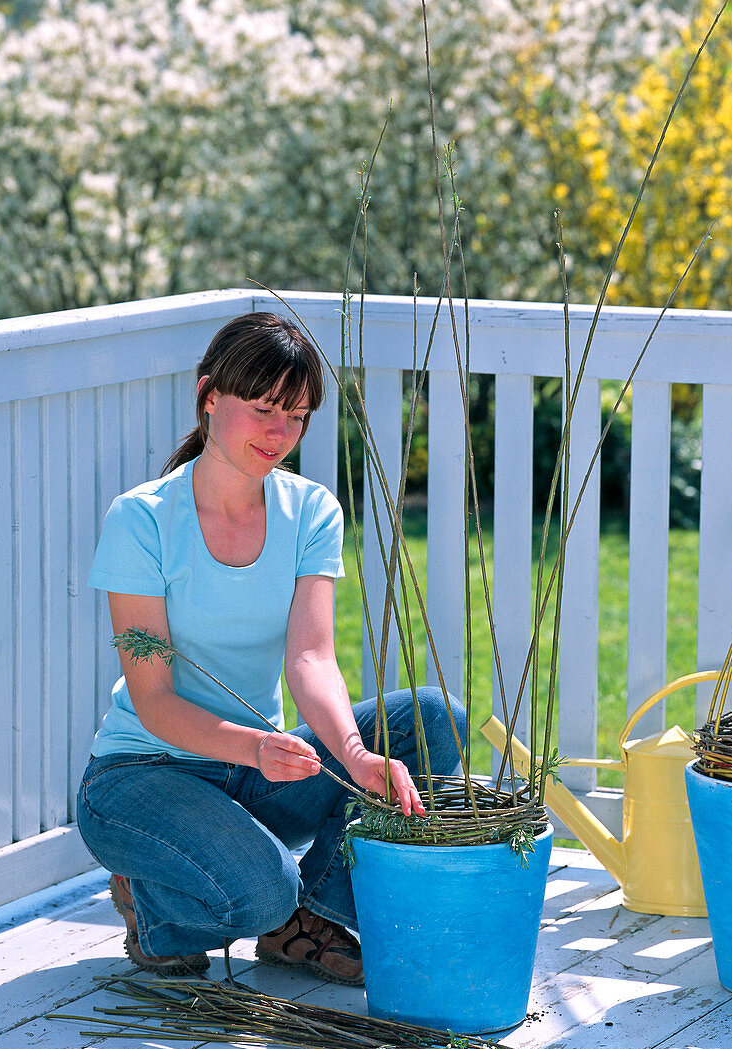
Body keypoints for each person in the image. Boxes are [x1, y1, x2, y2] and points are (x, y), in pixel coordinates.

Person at [77, 312, 462, 985]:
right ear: (208, 397)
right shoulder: (141, 519)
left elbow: (311, 658)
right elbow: (156, 700)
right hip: (143, 780)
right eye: (262, 409)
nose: (279, 434)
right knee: (259, 890)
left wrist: (353, 753)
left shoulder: (310, 512)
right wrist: (256, 747)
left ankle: (306, 916)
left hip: (257, 773)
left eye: (297, 416)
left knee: (434, 720)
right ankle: (156, 900)